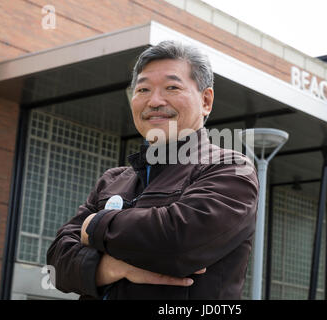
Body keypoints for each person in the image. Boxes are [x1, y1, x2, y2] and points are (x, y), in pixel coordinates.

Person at [47, 40, 259, 300]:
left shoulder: (230, 169)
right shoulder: (112, 180)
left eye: (172, 87)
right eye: (143, 89)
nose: (155, 101)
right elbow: (56, 264)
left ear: (206, 100)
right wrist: (111, 268)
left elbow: (177, 243)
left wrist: (94, 225)